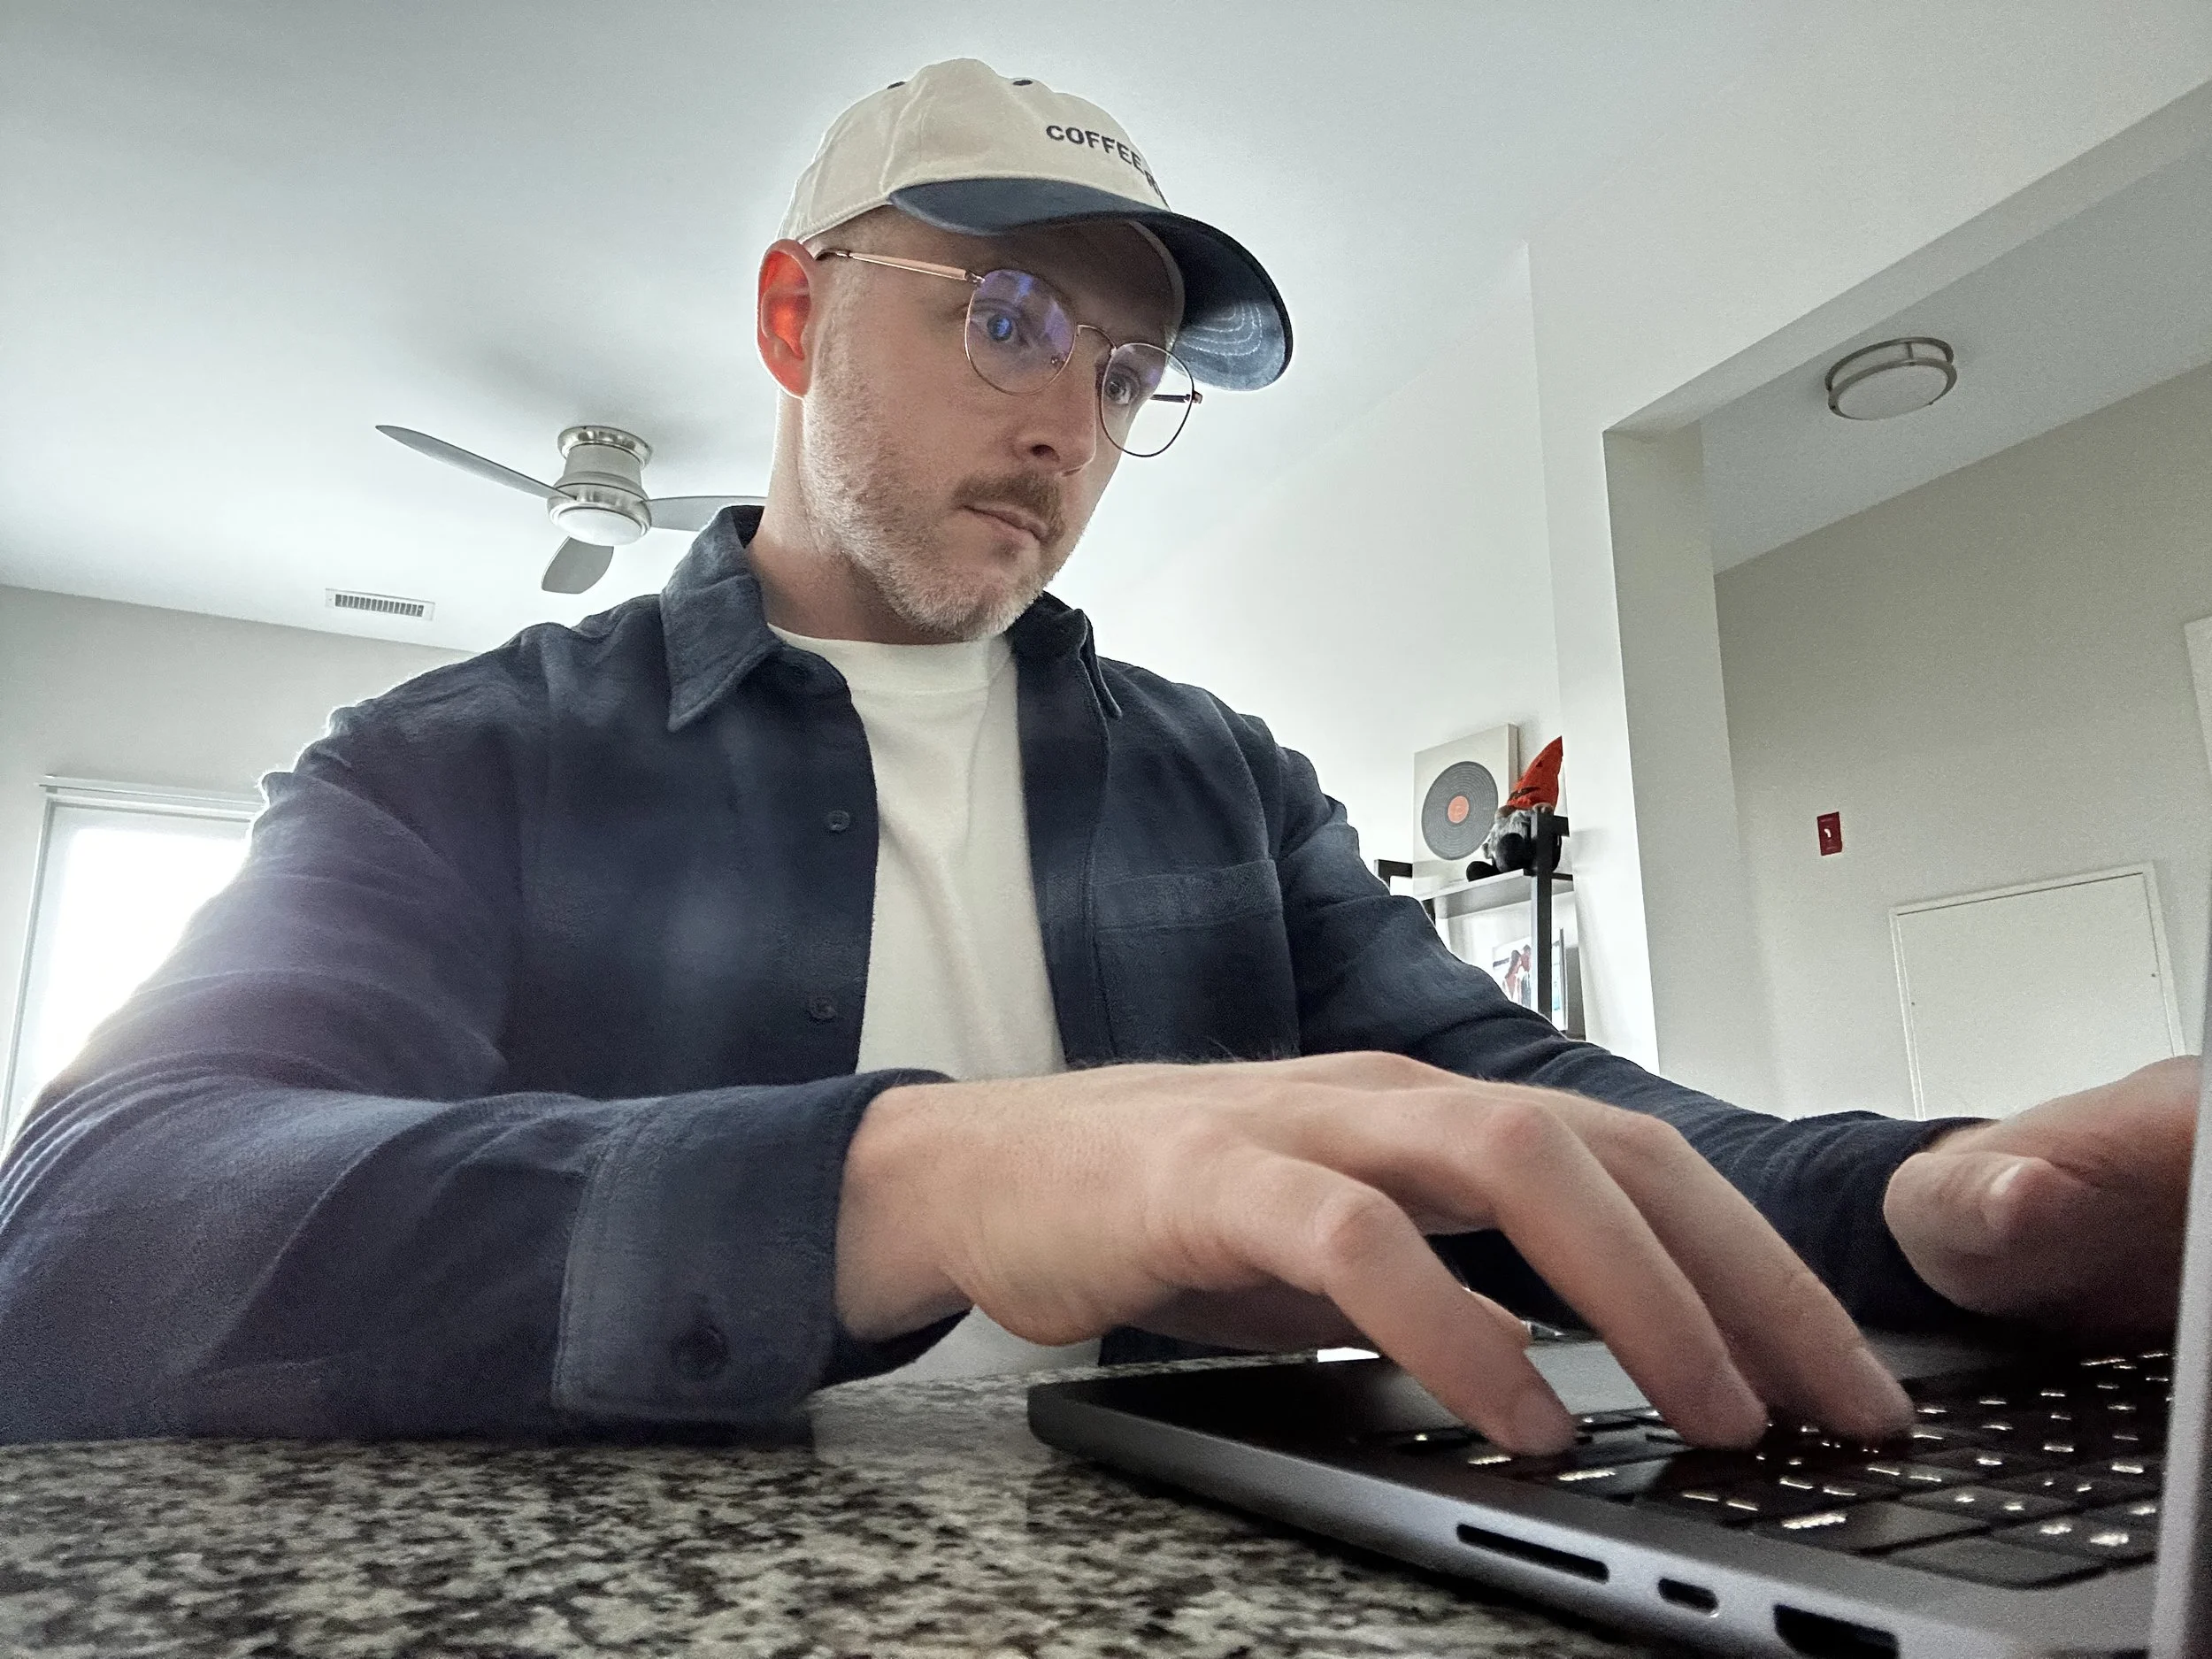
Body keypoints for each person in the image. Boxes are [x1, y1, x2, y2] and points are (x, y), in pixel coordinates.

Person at [0, 60, 2195, 1454]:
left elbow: (1506, 1099)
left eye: (1125, 369)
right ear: (792, 316)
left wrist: (1920, 1202)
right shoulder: (458, 759)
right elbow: (95, 1228)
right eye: (1005, 318)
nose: (1067, 422)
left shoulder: (1222, 778)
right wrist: (917, 1175)